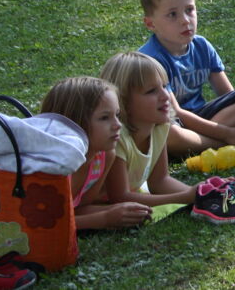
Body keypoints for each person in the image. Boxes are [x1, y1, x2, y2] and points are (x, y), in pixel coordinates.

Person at [99, 52, 235, 224]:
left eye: (165, 86)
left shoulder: (159, 127)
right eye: (152, 91)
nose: (165, 96)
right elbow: (120, 197)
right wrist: (186, 197)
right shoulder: (116, 139)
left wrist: (202, 195)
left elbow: (160, 181)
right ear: (123, 100)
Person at [137, 0, 235, 156]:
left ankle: (202, 142)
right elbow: (176, 113)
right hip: (172, 121)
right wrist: (227, 133)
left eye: (189, 10)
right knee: (168, 133)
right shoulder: (151, 60)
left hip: (202, 116)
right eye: (172, 14)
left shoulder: (202, 46)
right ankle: (218, 143)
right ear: (150, 24)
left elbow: (228, 94)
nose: (185, 20)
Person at [40, 76, 152, 229]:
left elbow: (79, 209)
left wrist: (124, 210)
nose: (118, 125)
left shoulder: (103, 156)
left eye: (117, 115)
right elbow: (46, 223)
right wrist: (105, 218)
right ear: (74, 122)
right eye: (104, 118)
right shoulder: (56, 167)